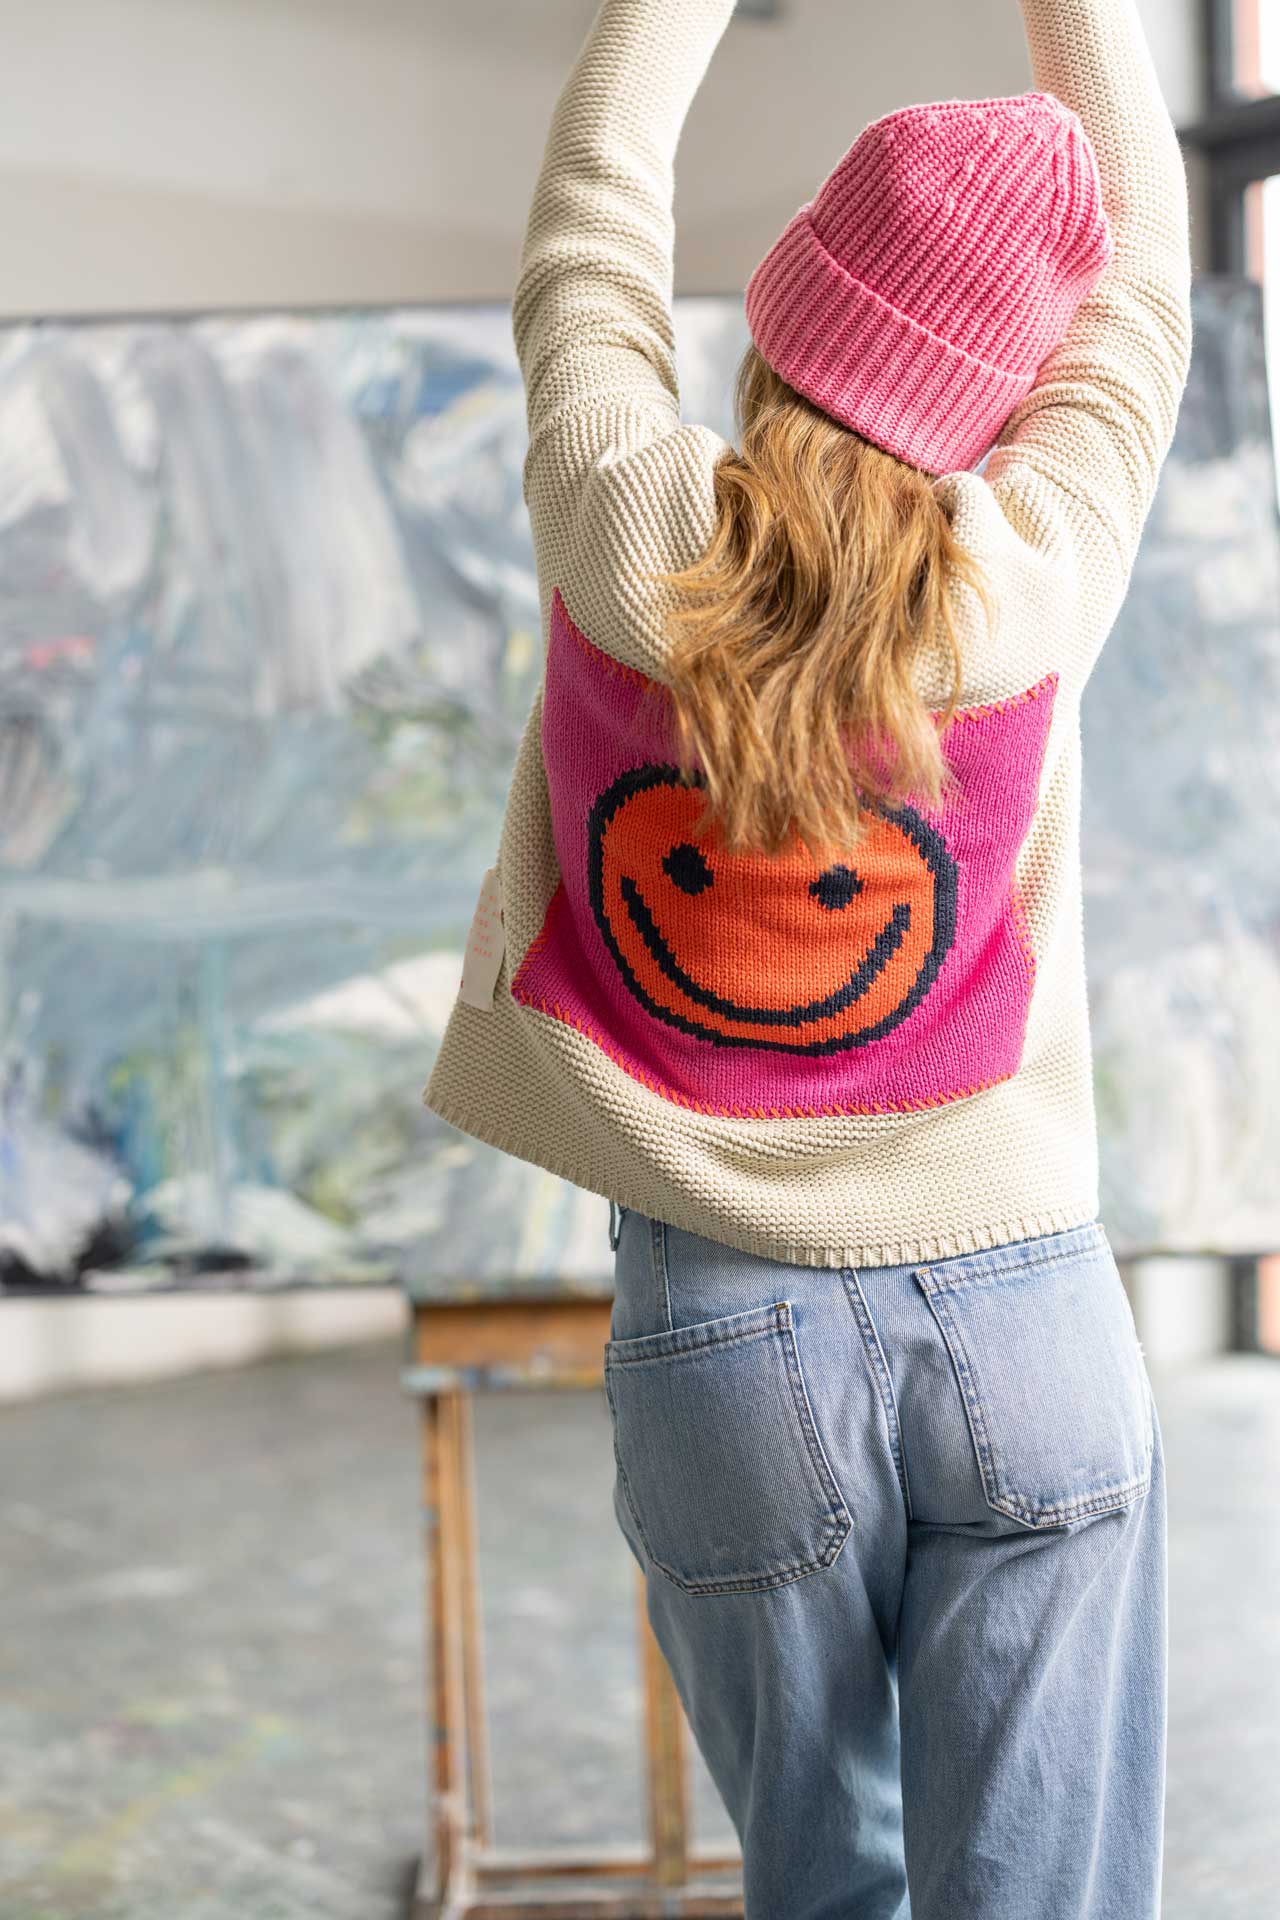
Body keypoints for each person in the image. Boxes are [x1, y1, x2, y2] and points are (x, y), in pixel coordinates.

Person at [426, 1, 1192, 1912]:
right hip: (1027, 1309)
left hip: (725, 1330)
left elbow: (594, 204)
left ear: (778, 323)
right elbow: (1147, 287)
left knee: (818, 1883)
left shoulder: (630, 521)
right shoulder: (1030, 569)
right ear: (1001, 392)